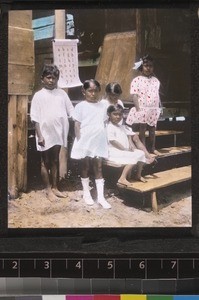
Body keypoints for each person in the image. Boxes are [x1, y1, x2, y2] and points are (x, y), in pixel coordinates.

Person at [30, 64, 74, 201]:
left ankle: (55, 187)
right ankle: (48, 189)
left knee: (55, 160)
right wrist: (40, 135)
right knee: (45, 161)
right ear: (42, 79)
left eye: (54, 78)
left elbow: (71, 111)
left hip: (58, 132)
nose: (51, 80)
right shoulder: (38, 96)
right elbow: (35, 118)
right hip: (44, 134)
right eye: (48, 77)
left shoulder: (62, 94)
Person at [71, 79, 111, 209]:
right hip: (85, 141)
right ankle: (86, 193)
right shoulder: (80, 106)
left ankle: (100, 197)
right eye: (90, 91)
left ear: (99, 92)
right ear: (84, 92)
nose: (93, 94)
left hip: (98, 141)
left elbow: (104, 123)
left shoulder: (103, 106)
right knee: (85, 166)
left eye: (95, 91)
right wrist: (80, 142)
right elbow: (77, 125)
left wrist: (106, 140)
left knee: (98, 167)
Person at [106, 104, 155, 187]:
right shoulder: (109, 127)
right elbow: (113, 141)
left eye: (120, 115)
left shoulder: (121, 127)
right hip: (114, 151)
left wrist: (130, 146)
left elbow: (129, 136)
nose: (118, 117)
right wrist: (124, 149)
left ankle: (138, 175)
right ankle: (122, 178)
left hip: (123, 150)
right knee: (133, 156)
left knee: (140, 153)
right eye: (115, 114)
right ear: (109, 114)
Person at [126, 54, 161, 155]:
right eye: (146, 66)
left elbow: (157, 95)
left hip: (153, 108)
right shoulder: (136, 80)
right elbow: (134, 96)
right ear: (142, 66)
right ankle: (144, 149)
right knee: (143, 129)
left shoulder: (155, 81)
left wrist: (159, 107)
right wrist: (138, 109)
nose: (148, 68)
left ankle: (153, 148)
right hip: (142, 108)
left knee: (153, 129)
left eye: (151, 66)